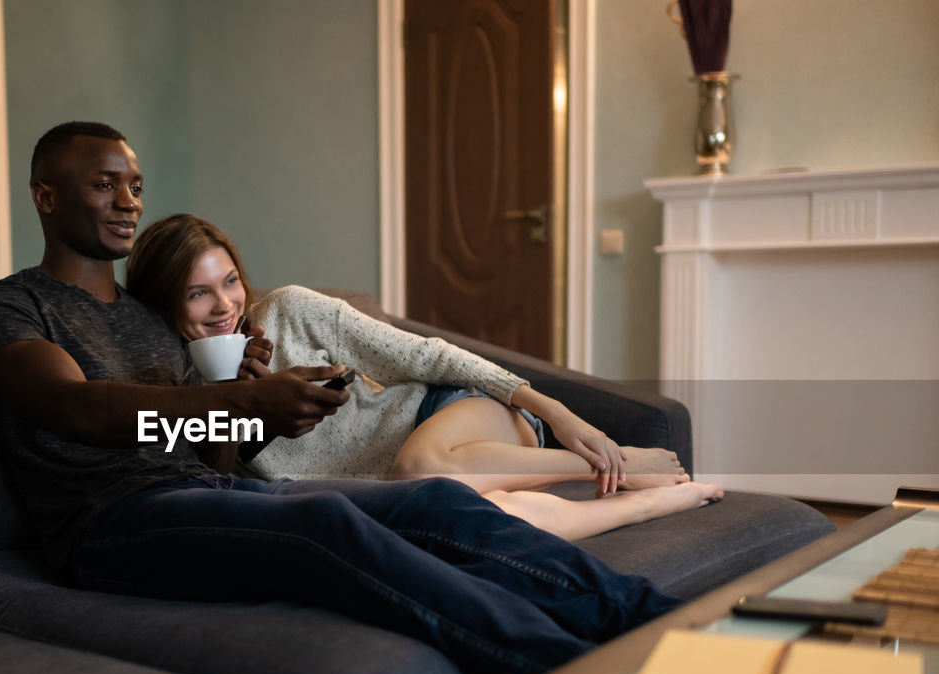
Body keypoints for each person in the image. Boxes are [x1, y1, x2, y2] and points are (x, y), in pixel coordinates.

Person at [0, 120, 681, 674]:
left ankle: (661, 624)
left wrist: (251, 407)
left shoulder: (153, 320)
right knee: (323, 518)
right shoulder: (11, 308)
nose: (128, 202)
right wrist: (238, 400)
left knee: (437, 503)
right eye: (105, 184)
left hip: (200, 490)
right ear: (46, 195)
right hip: (108, 526)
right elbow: (75, 409)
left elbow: (213, 457)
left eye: (136, 185)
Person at [125, 213, 723, 541]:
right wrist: (240, 400)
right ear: (164, 304)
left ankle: (620, 464)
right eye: (198, 293)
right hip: (429, 481)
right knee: (479, 524)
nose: (224, 303)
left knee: (419, 469)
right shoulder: (178, 395)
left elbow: (432, 358)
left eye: (229, 281)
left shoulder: (288, 310)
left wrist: (562, 417)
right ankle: (635, 498)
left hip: (446, 414)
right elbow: (212, 486)